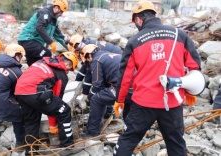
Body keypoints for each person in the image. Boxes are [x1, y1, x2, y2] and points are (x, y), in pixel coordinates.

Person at [113, 1, 201, 156]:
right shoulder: (179, 34)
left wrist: (120, 99)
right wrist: (190, 90)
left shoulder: (134, 41)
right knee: (176, 144)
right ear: (154, 14)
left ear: (139, 19)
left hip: (143, 103)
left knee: (128, 140)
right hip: (172, 102)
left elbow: (125, 75)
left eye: (135, 22)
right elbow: (194, 65)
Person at [14, 52, 79, 156]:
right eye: (69, 69)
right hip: (36, 92)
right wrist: (52, 124)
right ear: (68, 65)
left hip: (20, 92)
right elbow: (57, 98)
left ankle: (31, 152)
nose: (67, 72)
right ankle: (67, 146)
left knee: (32, 122)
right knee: (64, 110)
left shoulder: (41, 62)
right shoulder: (61, 74)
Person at [68, 34, 123, 118]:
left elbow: (90, 75)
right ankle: (106, 110)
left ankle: (108, 111)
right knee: (101, 86)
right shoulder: (88, 45)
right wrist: (77, 82)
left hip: (116, 65)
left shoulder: (91, 52)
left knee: (103, 87)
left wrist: (87, 95)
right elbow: (85, 68)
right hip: (115, 59)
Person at [79, 44, 122, 137]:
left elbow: (97, 85)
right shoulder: (107, 55)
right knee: (103, 94)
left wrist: (89, 97)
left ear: (89, 55)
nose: (88, 64)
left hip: (123, 87)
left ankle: (92, 132)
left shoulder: (96, 60)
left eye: (87, 61)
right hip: (134, 84)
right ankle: (107, 114)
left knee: (96, 99)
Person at [17, 0, 69, 66]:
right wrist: (50, 42)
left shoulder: (54, 21)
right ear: (56, 8)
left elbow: (59, 36)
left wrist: (69, 48)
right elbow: (39, 27)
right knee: (47, 54)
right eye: (61, 11)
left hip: (35, 44)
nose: (61, 14)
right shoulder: (45, 13)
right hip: (27, 40)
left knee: (35, 65)